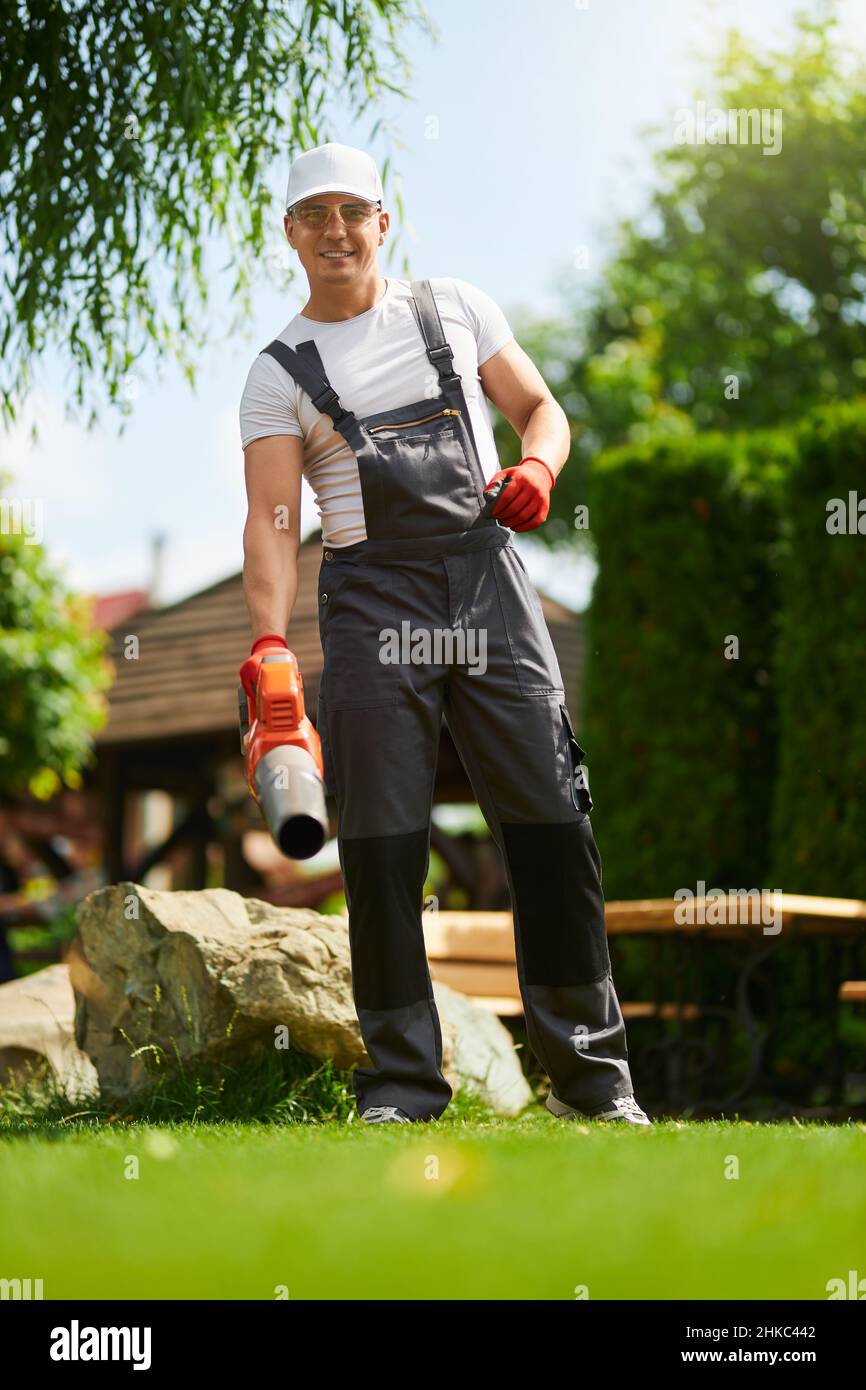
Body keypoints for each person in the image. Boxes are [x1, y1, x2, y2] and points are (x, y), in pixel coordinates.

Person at [238, 142, 650, 1127]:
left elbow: (538, 410)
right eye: (314, 214)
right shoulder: (276, 372)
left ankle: (592, 1086)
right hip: (372, 599)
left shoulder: (454, 308)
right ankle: (402, 1083)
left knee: (552, 824)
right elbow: (272, 519)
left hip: (487, 580)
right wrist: (267, 642)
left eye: (354, 211)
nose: (335, 229)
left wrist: (539, 468)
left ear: (384, 221)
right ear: (289, 233)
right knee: (380, 845)